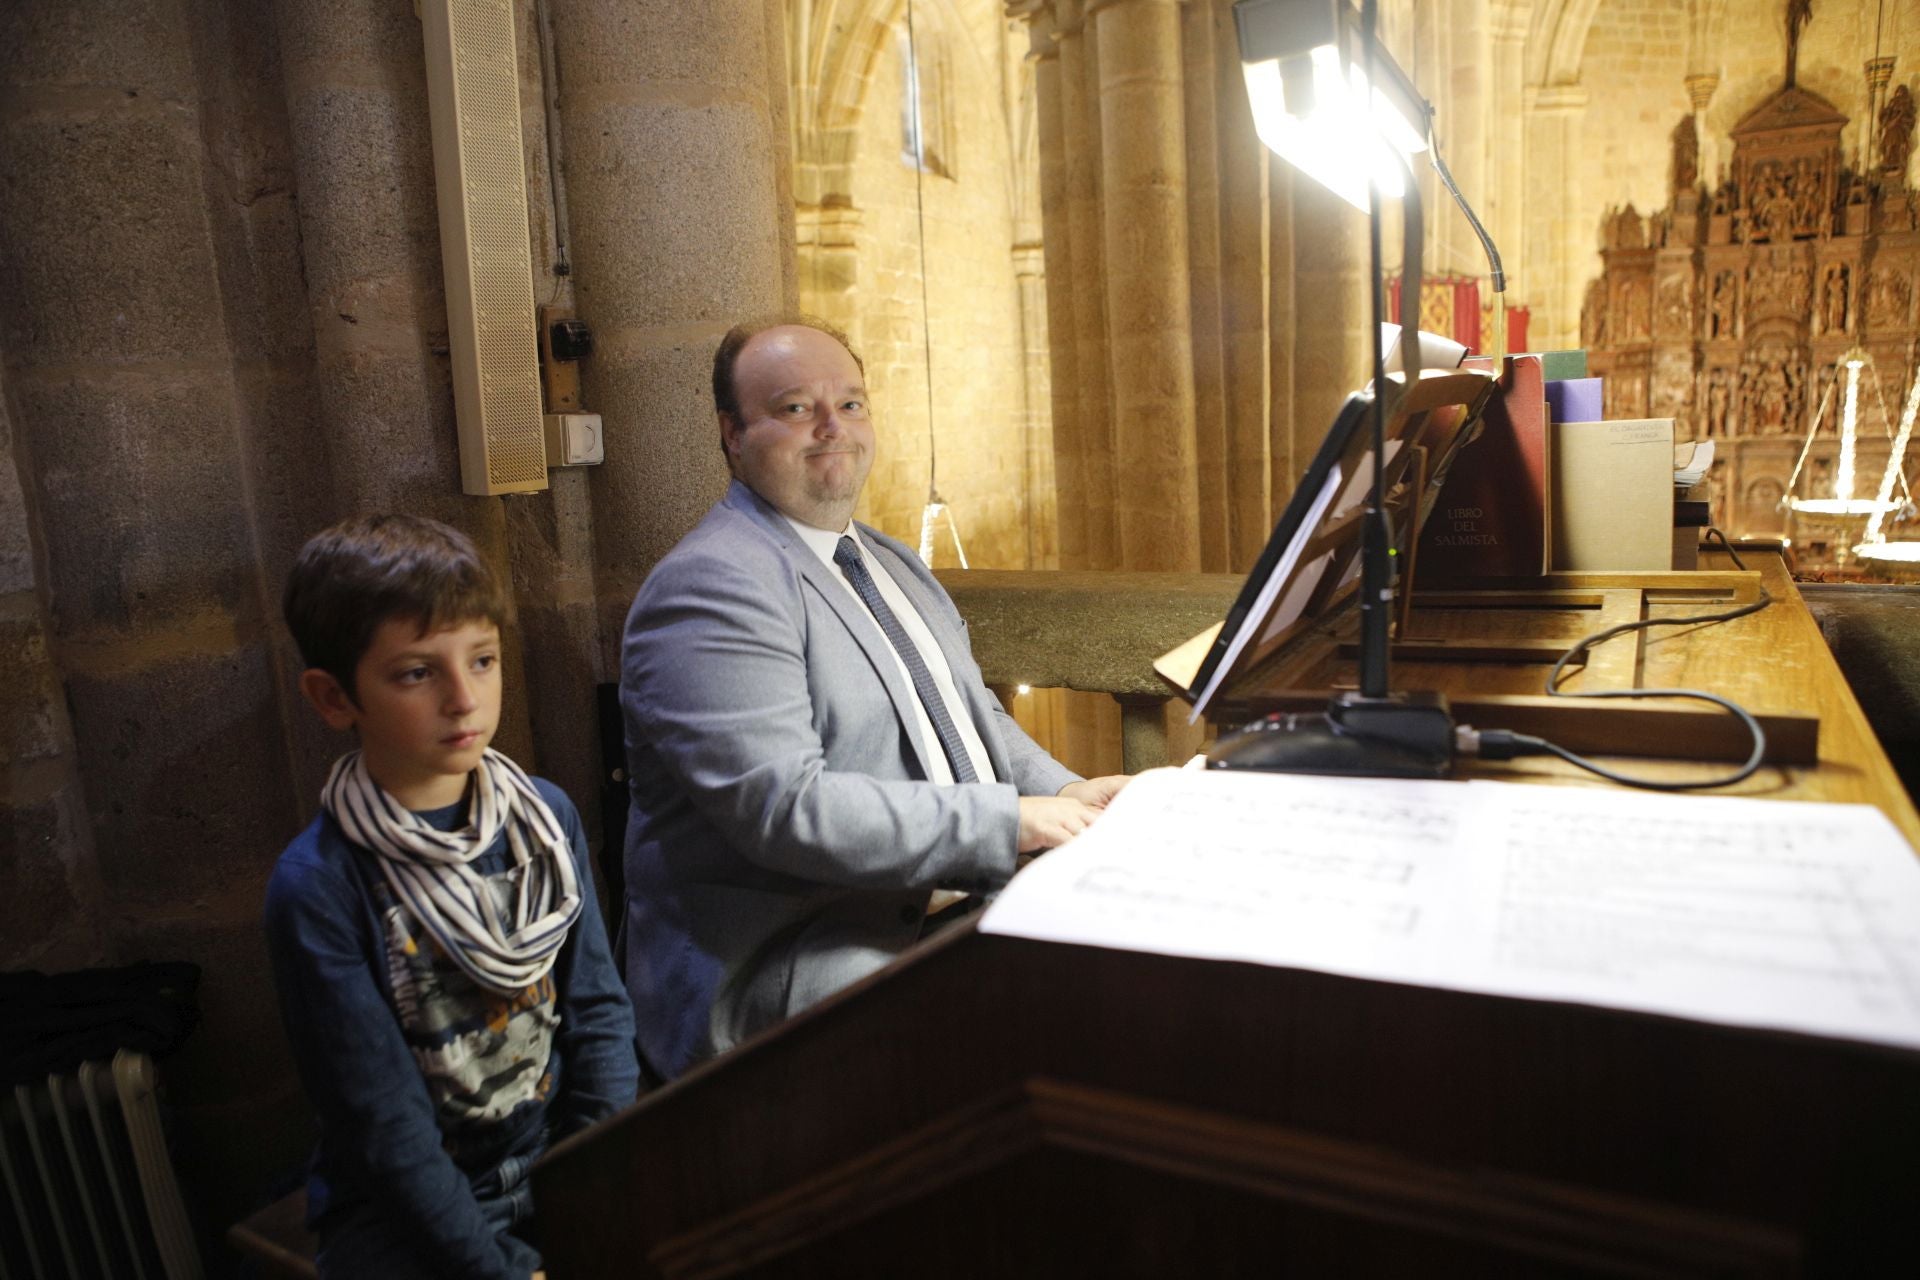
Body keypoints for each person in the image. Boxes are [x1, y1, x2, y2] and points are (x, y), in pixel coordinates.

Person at [620, 316, 1128, 1080]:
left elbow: (971, 716)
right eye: (796, 408)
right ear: (732, 433)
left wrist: (1066, 790)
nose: (834, 428)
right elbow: (786, 809)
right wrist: (1011, 821)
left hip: (932, 921)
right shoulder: (714, 585)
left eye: (851, 404)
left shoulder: (885, 558)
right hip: (795, 967)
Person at [265, 514, 637, 1279]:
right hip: (409, 1205)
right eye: (415, 673)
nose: (464, 699)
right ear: (334, 697)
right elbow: (384, 1126)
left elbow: (598, 1013)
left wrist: (595, 1187)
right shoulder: (321, 885)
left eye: (483, 659)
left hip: (555, 1163)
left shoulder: (545, 817)